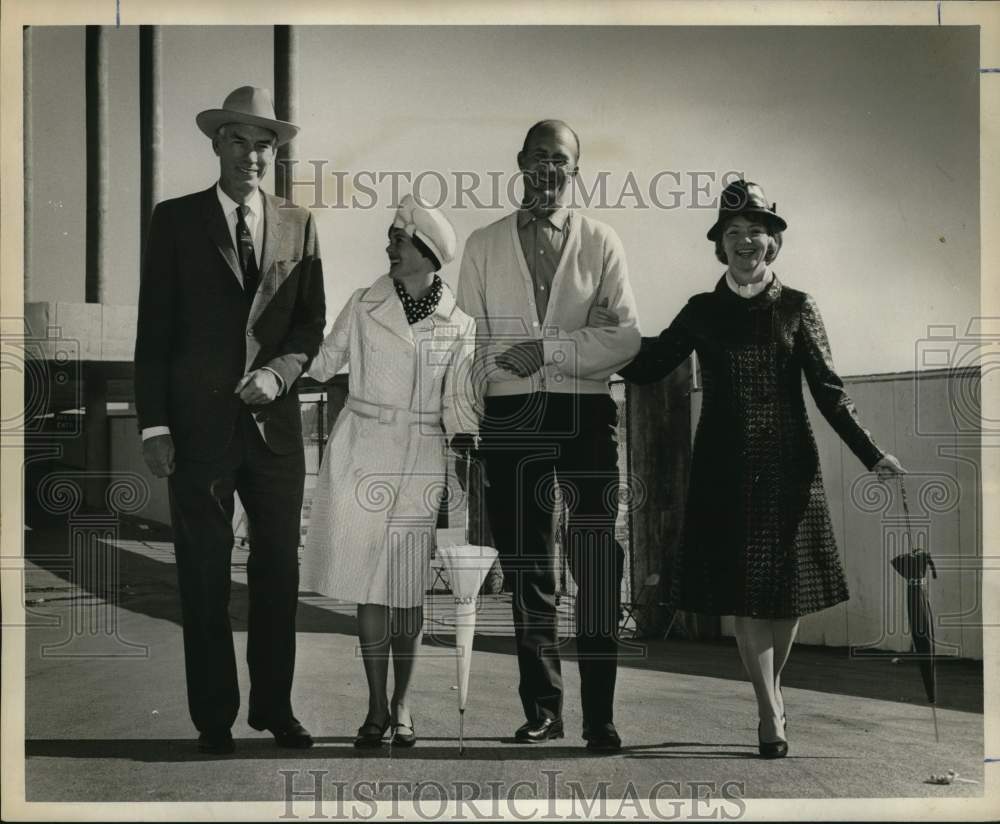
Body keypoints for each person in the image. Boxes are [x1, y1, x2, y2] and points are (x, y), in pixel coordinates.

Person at [601, 179, 905, 758]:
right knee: (746, 598)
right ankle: (769, 712)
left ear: (772, 244)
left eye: (756, 233)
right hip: (724, 471)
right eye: (734, 234)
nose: (745, 243)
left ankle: (773, 692)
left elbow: (830, 392)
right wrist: (596, 338)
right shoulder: (701, 310)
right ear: (721, 246)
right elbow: (648, 365)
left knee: (785, 598)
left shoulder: (797, 307)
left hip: (791, 469)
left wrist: (872, 453)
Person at [134, 86, 325, 755]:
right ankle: (213, 716)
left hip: (275, 434)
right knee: (205, 575)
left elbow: (309, 324)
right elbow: (153, 330)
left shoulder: (300, 225)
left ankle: (275, 709)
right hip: (196, 433)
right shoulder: (176, 221)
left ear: (274, 153)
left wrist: (280, 372)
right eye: (239, 141)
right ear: (217, 144)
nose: (251, 155)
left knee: (279, 576)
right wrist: (153, 426)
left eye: (263, 145)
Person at [456, 120, 641, 752]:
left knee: (594, 561)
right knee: (528, 567)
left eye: (560, 158)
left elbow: (626, 337)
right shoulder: (482, 245)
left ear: (574, 170)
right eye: (537, 156)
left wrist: (550, 350)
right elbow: (468, 344)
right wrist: (466, 429)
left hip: (587, 414)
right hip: (511, 423)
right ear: (519, 163)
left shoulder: (602, 240)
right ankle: (543, 711)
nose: (548, 168)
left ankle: (599, 718)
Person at [301, 195, 478, 749]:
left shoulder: (461, 323)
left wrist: (467, 444)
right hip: (362, 452)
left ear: (427, 254)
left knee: (405, 591)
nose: (389, 249)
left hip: (422, 461)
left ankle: (403, 706)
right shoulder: (362, 303)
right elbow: (323, 362)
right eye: (391, 239)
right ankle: (375, 708)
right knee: (367, 589)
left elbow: (460, 401)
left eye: (399, 242)